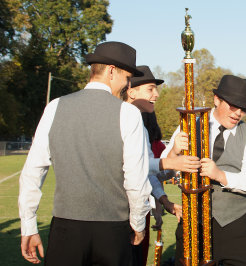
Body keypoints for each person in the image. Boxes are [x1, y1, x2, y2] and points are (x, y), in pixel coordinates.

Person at [18, 41, 152, 265]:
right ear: (111, 71)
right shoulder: (128, 114)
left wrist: (29, 226)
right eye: (127, 78)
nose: (128, 86)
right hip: (112, 231)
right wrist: (138, 223)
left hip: (65, 231)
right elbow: (136, 180)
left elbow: (33, 170)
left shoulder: (55, 107)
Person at [163, 75, 246, 265]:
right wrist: (174, 152)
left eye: (243, 109)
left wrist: (220, 175)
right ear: (216, 100)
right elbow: (164, 172)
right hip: (194, 224)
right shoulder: (190, 126)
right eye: (233, 106)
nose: (238, 113)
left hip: (236, 227)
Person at [121, 65, 196, 265]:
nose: (157, 94)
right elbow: (135, 168)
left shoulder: (139, 124)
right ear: (132, 91)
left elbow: (147, 173)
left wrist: (165, 202)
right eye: (151, 89)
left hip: (136, 213)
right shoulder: (119, 119)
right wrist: (172, 160)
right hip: (119, 214)